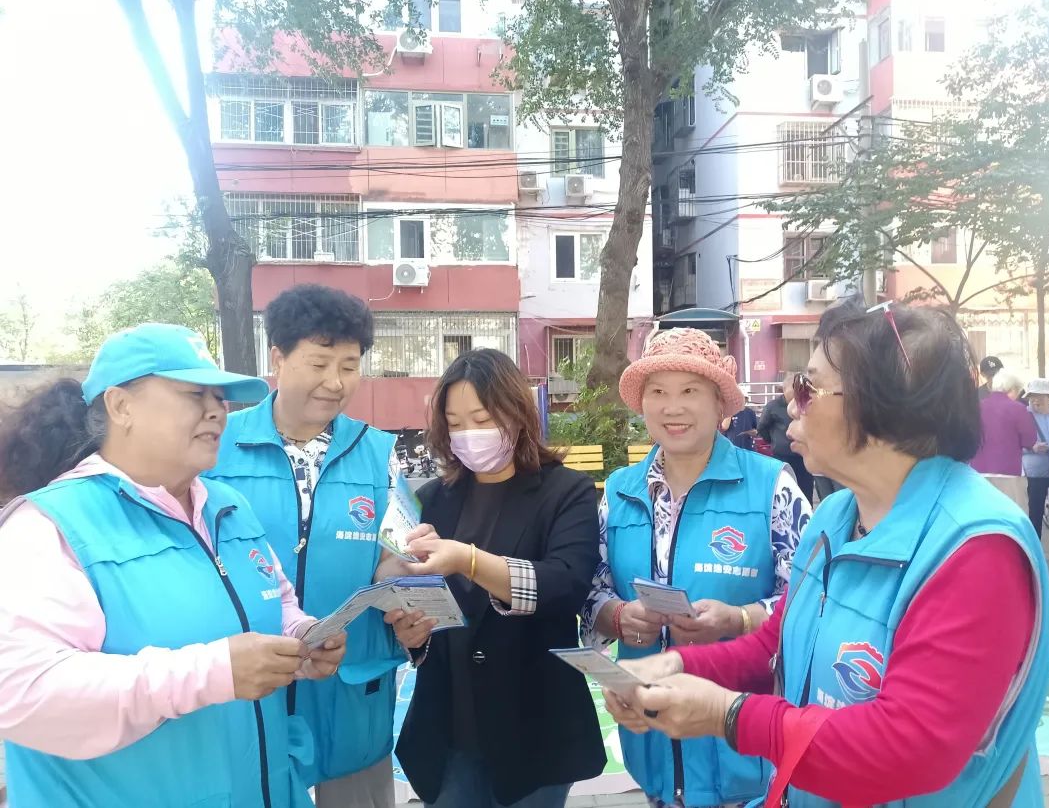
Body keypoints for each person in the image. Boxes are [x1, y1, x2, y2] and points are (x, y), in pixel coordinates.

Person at [604, 300, 1049, 807]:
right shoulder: (835, 515)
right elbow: (776, 644)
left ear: (879, 404)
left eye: (807, 388)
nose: (792, 407)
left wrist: (727, 715)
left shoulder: (977, 549)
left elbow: (910, 748)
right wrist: (675, 665)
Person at [0, 324, 346, 808]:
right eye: (193, 393)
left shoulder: (228, 507)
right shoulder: (50, 527)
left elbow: (276, 600)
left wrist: (301, 636)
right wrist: (211, 672)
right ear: (121, 406)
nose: (217, 410)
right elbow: (22, 692)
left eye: (220, 397)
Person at [581, 328, 811, 808]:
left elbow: (811, 603)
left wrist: (740, 618)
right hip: (651, 742)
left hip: (745, 749)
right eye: (657, 392)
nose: (673, 408)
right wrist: (618, 616)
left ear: (720, 403)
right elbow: (593, 587)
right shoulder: (620, 490)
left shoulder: (771, 485)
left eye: (689, 391)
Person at [206, 285, 401, 807]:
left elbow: (395, 555)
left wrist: (406, 577)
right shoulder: (217, 448)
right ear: (278, 357)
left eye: (349, 366)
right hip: (249, 689)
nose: (335, 383)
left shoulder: (379, 453)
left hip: (352, 692)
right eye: (318, 363)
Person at [388, 348, 605, 808]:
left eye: (482, 419)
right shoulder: (435, 498)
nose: (469, 434)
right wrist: (413, 635)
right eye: (456, 423)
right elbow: (426, 599)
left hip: (535, 730)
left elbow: (564, 586)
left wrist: (468, 560)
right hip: (449, 728)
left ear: (517, 414)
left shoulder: (567, 492)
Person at [971, 371, 1038, 477]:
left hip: (979, 471)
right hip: (1008, 471)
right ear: (1013, 389)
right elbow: (1029, 441)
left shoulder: (976, 407)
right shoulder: (1018, 408)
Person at [758, 377, 814, 500]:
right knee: (784, 492)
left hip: (803, 456)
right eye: (794, 389)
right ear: (784, 389)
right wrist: (774, 441)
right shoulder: (773, 406)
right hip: (782, 457)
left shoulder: (806, 404)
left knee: (805, 492)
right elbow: (762, 428)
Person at [1023, 378, 1049, 538]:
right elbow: (1013, 442)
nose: (1035, 400)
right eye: (1032, 396)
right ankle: (1035, 548)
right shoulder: (1024, 414)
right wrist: (1031, 447)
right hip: (1035, 472)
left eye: (1039, 396)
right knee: (1035, 512)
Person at [722, 384, 758, 450]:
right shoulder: (729, 411)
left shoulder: (750, 412)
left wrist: (750, 432)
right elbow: (724, 427)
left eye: (744, 398)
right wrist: (731, 410)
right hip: (731, 447)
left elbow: (756, 430)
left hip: (747, 447)